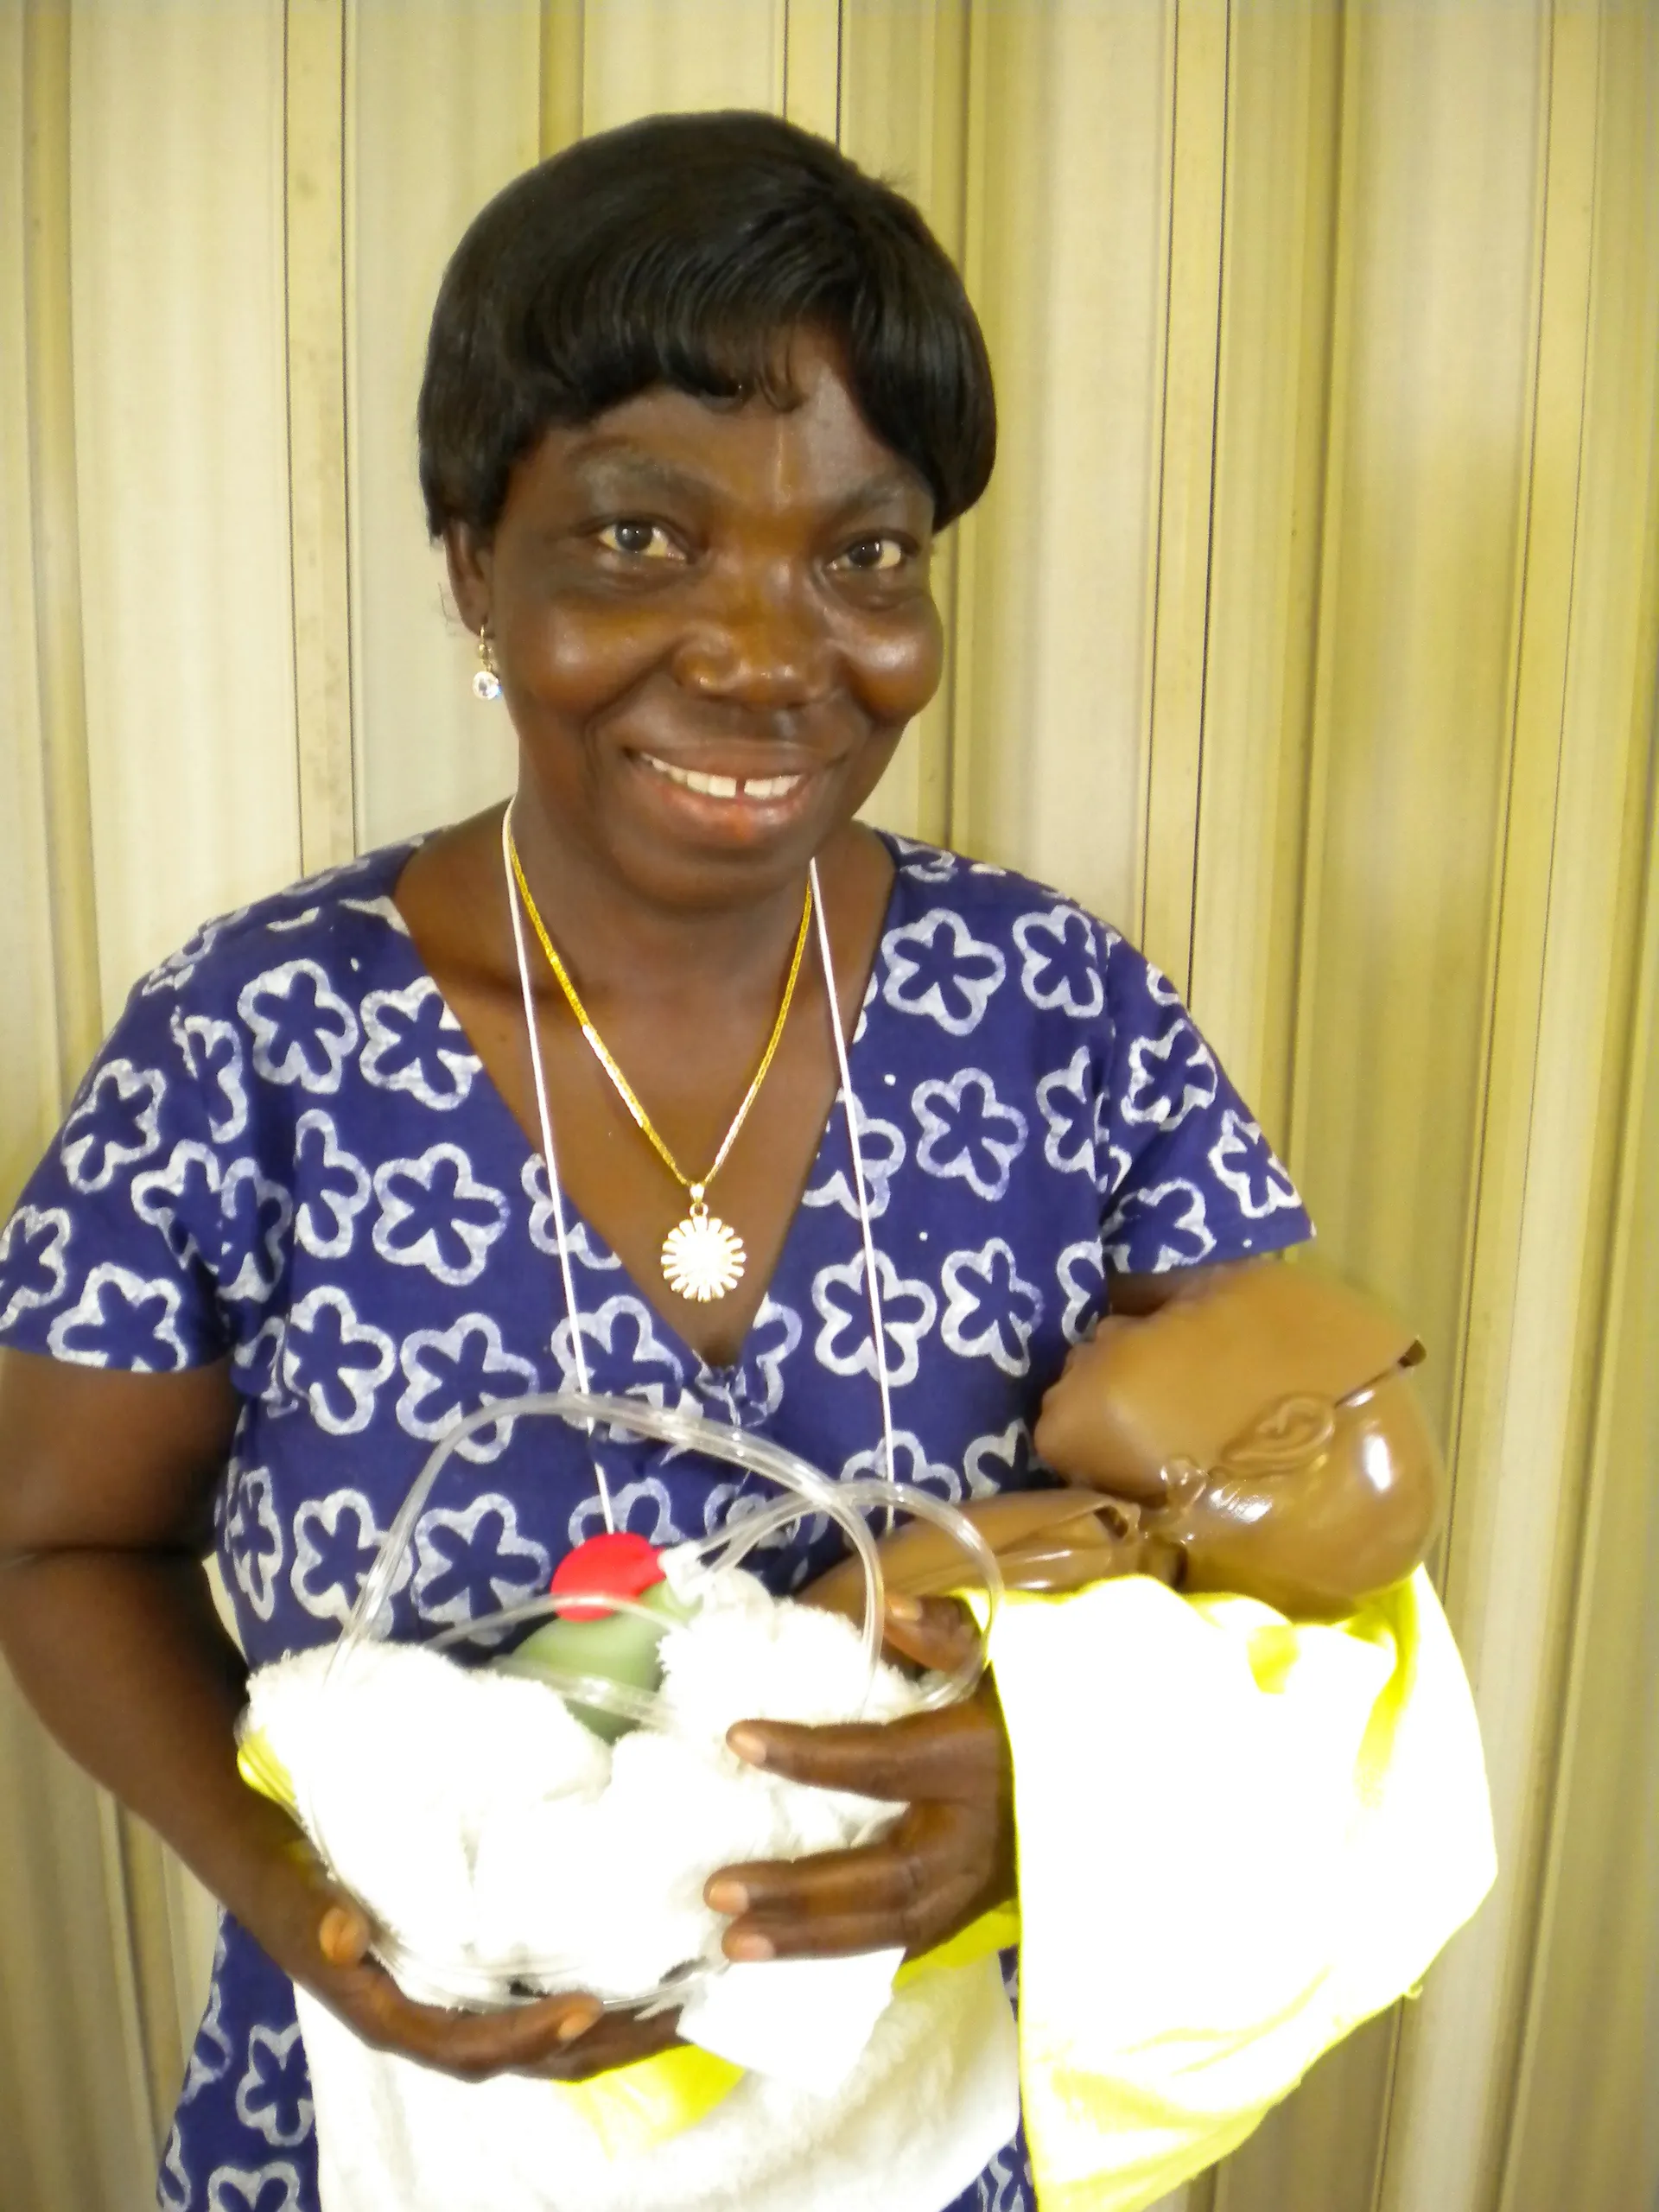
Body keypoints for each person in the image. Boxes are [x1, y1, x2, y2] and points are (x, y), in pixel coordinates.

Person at [0, 111, 1435, 2212]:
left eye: (865, 552)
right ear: (474, 557)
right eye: (642, 538)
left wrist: (1052, 1791)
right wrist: (315, 1909)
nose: (773, 653)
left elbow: (1306, 1558)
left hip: (907, 2139)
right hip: (387, 2120)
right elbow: (60, 1549)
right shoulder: (250, 1043)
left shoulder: (1063, 1018)